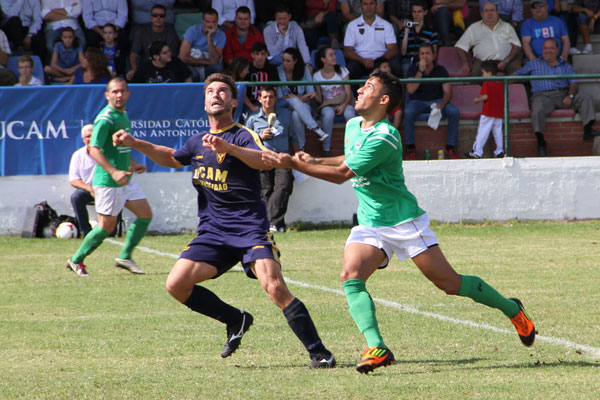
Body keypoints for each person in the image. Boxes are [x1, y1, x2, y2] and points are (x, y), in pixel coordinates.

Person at [261, 70, 537, 374]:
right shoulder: (354, 125)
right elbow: (345, 159)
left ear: (383, 100)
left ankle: (514, 310)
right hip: (370, 222)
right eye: (363, 84)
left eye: (369, 87)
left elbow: (343, 175)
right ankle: (376, 346)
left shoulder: (386, 136)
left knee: (449, 283)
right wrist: (313, 161)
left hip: (404, 223)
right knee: (350, 275)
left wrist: (293, 164)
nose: (361, 89)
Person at [112, 73, 336, 369]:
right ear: (204, 101)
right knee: (177, 284)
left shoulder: (242, 135)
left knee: (274, 286)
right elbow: (171, 157)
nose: (215, 95)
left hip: (249, 229)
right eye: (210, 91)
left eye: (222, 91)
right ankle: (236, 319)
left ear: (233, 101)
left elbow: (263, 159)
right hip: (213, 233)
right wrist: (135, 142)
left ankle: (320, 353)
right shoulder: (196, 141)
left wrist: (228, 148)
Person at [66, 77, 153, 277]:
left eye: (122, 91)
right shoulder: (105, 118)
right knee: (106, 227)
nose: (119, 95)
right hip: (108, 181)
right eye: (115, 92)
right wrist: (113, 171)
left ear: (128, 94)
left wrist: (133, 164)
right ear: (107, 95)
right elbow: (94, 149)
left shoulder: (123, 115)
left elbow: (118, 147)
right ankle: (76, 260)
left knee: (145, 214)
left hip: (124, 179)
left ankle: (125, 256)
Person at [514, 38, 599, 156]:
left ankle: (587, 129)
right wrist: (497, 80)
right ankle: (541, 142)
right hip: (543, 97)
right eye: (545, 48)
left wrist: (570, 95)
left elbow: (574, 82)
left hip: (563, 96)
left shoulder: (565, 65)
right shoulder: (533, 64)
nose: (548, 51)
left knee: (585, 97)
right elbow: (515, 76)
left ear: (557, 50)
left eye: (551, 48)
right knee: (537, 105)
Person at [245, 86, 299, 232]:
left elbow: (293, 137)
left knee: (284, 186)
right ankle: (275, 224)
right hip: (262, 158)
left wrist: (299, 156)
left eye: (271, 97)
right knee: (265, 190)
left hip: (282, 157)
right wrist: (260, 137)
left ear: (276, 99)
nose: (268, 100)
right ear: (260, 99)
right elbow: (245, 141)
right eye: (265, 97)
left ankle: (272, 223)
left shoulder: (286, 114)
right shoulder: (252, 118)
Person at [404, 43, 460, 160]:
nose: (425, 56)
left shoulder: (440, 69)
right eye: (422, 54)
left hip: (437, 101)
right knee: (408, 112)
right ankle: (410, 149)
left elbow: (448, 92)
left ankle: (450, 147)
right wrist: (420, 71)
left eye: (428, 53)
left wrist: (442, 104)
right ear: (419, 56)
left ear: (433, 56)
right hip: (418, 102)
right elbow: (410, 89)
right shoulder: (413, 69)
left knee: (454, 112)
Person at [277, 47, 329, 150]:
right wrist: (298, 98)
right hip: (285, 105)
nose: (285, 63)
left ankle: (300, 149)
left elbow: (310, 92)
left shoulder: (304, 70)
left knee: (296, 115)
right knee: (293, 100)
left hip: (303, 106)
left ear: (295, 61)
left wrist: (298, 98)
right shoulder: (279, 70)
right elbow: (279, 96)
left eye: (288, 61)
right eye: (283, 60)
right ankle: (316, 129)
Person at [455, 2, 522, 76]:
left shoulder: (507, 26)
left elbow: (517, 46)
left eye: (492, 10)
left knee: (517, 71)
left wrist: (507, 60)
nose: (489, 13)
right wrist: (465, 63)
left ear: (497, 13)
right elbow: (459, 47)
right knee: (476, 72)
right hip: (484, 62)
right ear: (482, 14)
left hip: (506, 61)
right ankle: (492, 86)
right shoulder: (473, 28)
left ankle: (501, 86)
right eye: (486, 11)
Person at [312, 46, 356, 156]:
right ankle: (326, 148)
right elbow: (320, 99)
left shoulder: (342, 71)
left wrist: (344, 105)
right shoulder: (316, 76)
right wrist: (313, 95)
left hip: (344, 102)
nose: (334, 57)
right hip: (328, 104)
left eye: (334, 54)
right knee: (328, 114)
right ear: (323, 59)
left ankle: (353, 147)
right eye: (331, 55)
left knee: (350, 113)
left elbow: (349, 93)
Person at [343, 0, 401, 79]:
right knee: (350, 69)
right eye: (365, 4)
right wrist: (363, 60)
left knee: (396, 67)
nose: (368, 7)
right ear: (361, 6)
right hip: (360, 62)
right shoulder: (352, 25)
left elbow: (393, 50)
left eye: (371, 4)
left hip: (381, 61)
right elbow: (347, 50)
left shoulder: (386, 25)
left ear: (376, 5)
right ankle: (356, 92)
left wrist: (378, 61)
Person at [127, 4, 180, 81]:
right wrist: (133, 68)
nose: (158, 18)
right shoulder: (142, 32)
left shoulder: (172, 34)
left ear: (165, 18)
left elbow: (173, 57)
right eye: (155, 15)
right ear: (151, 17)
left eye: (161, 15)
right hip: (145, 68)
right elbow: (134, 53)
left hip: (166, 69)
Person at [465, 61, 505, 159]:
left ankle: (477, 152)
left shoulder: (487, 83)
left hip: (488, 112)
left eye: (483, 73)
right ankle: (499, 150)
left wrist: (477, 100)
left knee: (482, 132)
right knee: (498, 132)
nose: (482, 76)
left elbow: (486, 96)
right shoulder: (500, 83)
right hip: (498, 112)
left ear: (489, 73)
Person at [178, 8, 226, 81]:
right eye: (208, 22)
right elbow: (183, 57)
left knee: (218, 68)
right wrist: (205, 62)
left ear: (217, 22)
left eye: (214, 22)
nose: (211, 25)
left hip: (208, 65)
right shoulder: (192, 30)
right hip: (192, 63)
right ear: (203, 21)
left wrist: (209, 38)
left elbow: (215, 60)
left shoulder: (221, 35)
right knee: (194, 75)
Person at [69, 124, 97, 237]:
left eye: (93, 135)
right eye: (87, 136)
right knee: (76, 197)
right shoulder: (78, 155)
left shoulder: (108, 151)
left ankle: (111, 232)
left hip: (107, 188)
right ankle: (86, 232)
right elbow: (74, 180)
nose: (90, 139)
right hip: (88, 189)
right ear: (83, 139)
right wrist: (90, 189)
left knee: (116, 194)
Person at [399, 0, 440, 78]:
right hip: (409, 60)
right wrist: (406, 33)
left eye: (419, 12)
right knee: (406, 66)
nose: (416, 14)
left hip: (426, 60)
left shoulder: (432, 31)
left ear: (425, 12)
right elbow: (403, 52)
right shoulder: (405, 30)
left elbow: (434, 54)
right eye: (414, 12)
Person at [244, 41, 280, 113]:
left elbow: (275, 90)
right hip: (251, 104)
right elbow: (242, 93)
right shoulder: (247, 69)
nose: (260, 57)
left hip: (269, 102)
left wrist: (270, 106)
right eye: (257, 54)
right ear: (252, 55)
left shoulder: (272, 69)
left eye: (262, 54)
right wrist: (252, 107)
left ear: (267, 55)